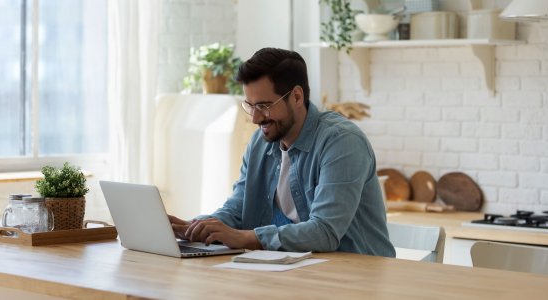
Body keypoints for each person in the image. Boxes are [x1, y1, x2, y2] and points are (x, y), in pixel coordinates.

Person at [169, 47, 395, 257]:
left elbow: (325, 231)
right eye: (250, 105)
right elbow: (238, 209)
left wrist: (244, 238)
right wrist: (195, 227)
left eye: (264, 106)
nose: (255, 118)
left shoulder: (342, 142)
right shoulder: (260, 142)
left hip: (358, 277)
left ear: (296, 97)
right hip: (299, 272)